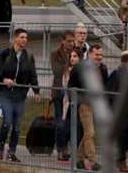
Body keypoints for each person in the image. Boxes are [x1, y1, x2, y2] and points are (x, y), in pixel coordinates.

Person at [0, 28, 41, 163]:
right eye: (22, 37)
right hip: (6, 93)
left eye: (26, 37)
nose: (25, 40)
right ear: (15, 38)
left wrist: (36, 91)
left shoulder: (29, 56)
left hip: (20, 95)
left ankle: (12, 151)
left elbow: (33, 74)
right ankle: (0, 148)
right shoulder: (5, 53)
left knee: (17, 125)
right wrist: (4, 79)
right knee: (7, 122)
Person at [67, 44, 108, 171]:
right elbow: (71, 86)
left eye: (101, 55)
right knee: (90, 132)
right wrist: (74, 102)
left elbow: (105, 86)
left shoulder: (103, 68)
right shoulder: (79, 68)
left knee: (88, 134)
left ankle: (78, 158)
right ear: (90, 54)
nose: (99, 57)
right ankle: (92, 161)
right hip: (84, 104)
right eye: (96, 54)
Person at [51, 31, 75, 161]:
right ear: (63, 41)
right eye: (69, 41)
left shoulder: (76, 53)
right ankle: (60, 149)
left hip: (71, 94)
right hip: (59, 93)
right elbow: (57, 71)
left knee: (69, 124)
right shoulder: (55, 54)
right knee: (60, 122)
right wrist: (69, 61)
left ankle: (65, 147)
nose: (71, 43)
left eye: (73, 41)